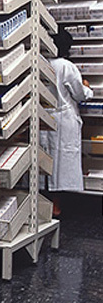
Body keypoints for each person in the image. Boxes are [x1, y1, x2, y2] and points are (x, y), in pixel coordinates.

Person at [40, 27, 93, 215]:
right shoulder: (65, 65)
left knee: (45, 162)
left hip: (43, 117)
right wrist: (87, 87)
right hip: (62, 119)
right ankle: (56, 206)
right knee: (60, 163)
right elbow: (79, 94)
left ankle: (44, 204)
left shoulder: (39, 62)